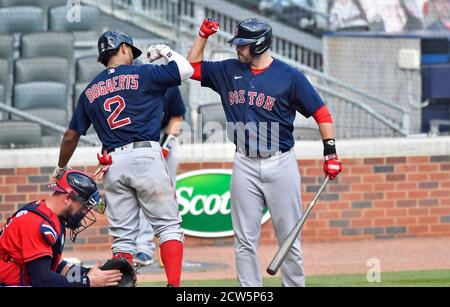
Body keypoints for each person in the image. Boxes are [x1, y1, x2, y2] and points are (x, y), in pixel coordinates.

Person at [185, 18, 343, 287]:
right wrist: (202, 36)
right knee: (244, 239)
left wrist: (330, 152)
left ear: (259, 45)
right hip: (244, 162)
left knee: (289, 238)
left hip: (280, 162)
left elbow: (321, 112)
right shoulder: (228, 69)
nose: (238, 49)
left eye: (243, 45)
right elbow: (191, 68)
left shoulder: (289, 76)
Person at [52, 30, 194, 287]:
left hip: (113, 163)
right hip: (145, 155)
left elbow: (71, 135)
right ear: (124, 49)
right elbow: (186, 69)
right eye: (130, 50)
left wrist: (61, 167)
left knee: (123, 240)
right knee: (168, 227)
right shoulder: (144, 73)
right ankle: (174, 286)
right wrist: (164, 50)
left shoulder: (90, 90)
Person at [0, 170, 122, 287]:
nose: (85, 212)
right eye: (84, 206)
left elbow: (55, 266)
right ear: (67, 199)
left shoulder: (52, 217)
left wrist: (87, 273)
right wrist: (88, 282)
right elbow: (42, 281)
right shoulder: (35, 223)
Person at [134, 86, 186, 267]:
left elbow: (178, 118)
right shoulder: (131, 85)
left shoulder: (168, 85)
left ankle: (171, 247)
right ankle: (142, 248)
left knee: (167, 196)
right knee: (142, 193)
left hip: (164, 141)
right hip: (138, 143)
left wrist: (166, 144)